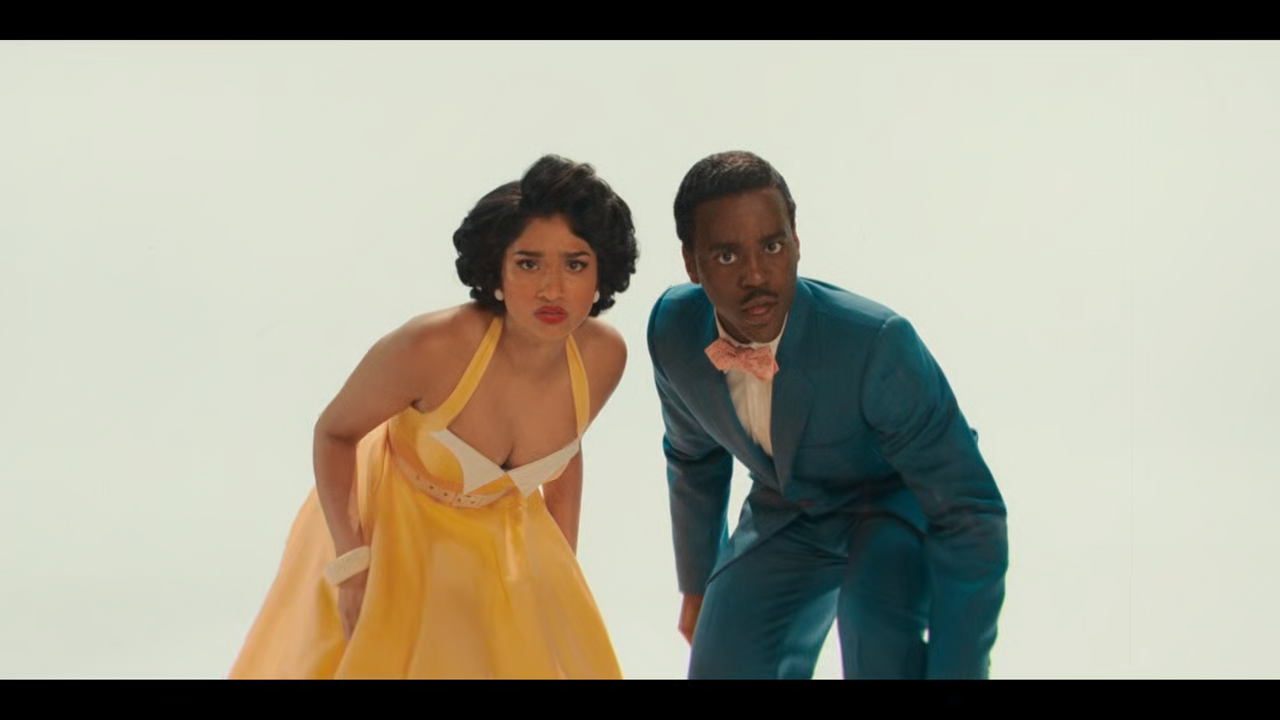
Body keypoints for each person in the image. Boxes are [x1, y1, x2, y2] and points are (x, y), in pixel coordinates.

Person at [229, 154, 639, 679]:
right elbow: (334, 433)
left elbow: (565, 452)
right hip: (389, 528)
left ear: (603, 272)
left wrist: (560, 574)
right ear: (496, 269)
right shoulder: (432, 346)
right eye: (528, 263)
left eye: (575, 264)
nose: (552, 289)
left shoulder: (604, 357)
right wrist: (352, 565)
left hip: (495, 542)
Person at [646, 150, 1008, 680]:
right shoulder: (672, 330)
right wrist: (699, 586)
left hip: (896, 502)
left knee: (873, 626)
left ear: (796, 241)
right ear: (690, 263)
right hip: (790, 510)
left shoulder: (877, 343)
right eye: (726, 256)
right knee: (722, 663)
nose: (755, 274)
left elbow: (971, 511)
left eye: (772, 246)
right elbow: (694, 458)